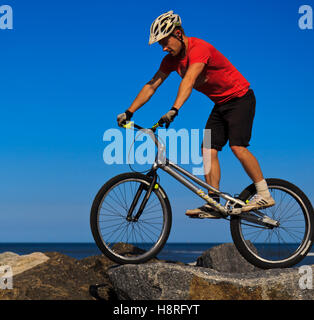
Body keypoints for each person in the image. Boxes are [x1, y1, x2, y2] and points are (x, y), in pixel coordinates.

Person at [117, 10, 275, 218]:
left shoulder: (199, 48)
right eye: (160, 45)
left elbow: (189, 80)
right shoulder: (170, 61)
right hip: (220, 104)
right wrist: (129, 111)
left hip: (240, 99)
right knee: (207, 150)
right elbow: (151, 86)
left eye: (165, 42)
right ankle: (213, 202)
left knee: (237, 147)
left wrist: (174, 109)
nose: (163, 48)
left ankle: (264, 193)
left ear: (178, 33)